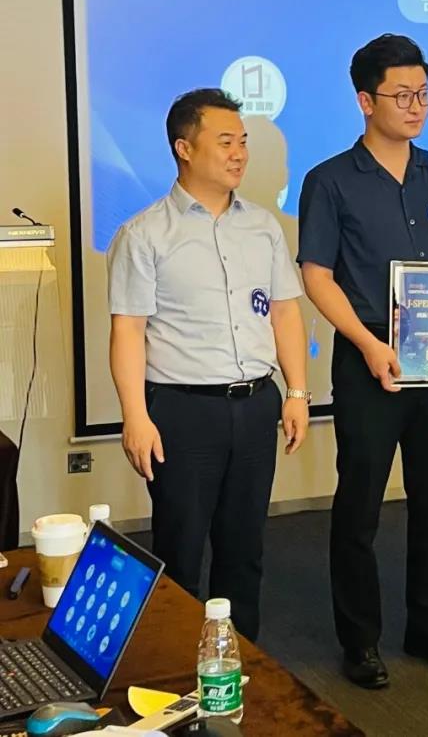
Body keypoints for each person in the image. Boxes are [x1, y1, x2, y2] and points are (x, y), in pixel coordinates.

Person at [297, 34, 428, 689]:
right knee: (361, 506)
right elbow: (317, 275)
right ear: (365, 100)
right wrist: (369, 344)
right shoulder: (330, 180)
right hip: (370, 356)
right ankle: (361, 641)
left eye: (423, 93)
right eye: (401, 95)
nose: (416, 106)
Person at [107, 88, 309, 641]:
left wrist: (296, 392)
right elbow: (128, 331)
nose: (239, 153)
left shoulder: (262, 226)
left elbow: (286, 312)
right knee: (180, 548)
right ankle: (172, 665)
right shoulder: (144, 233)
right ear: (184, 148)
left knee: (245, 547)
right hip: (182, 411)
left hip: (256, 404)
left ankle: (239, 661)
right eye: (225, 142)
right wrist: (134, 416)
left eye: (242, 141)